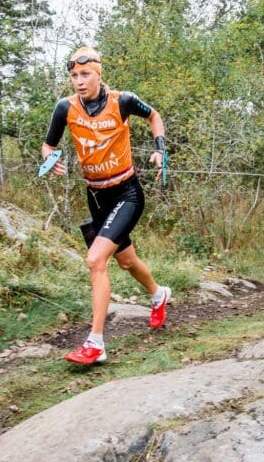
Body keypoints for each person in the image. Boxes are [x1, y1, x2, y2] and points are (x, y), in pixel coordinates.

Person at [41, 46, 172, 365]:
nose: (79, 81)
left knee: (95, 260)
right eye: (74, 76)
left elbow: (154, 116)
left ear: (99, 74)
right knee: (126, 261)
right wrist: (50, 159)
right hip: (96, 195)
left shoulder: (122, 101)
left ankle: (95, 343)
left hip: (127, 193)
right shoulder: (65, 108)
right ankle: (158, 294)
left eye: (86, 74)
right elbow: (48, 146)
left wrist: (160, 150)